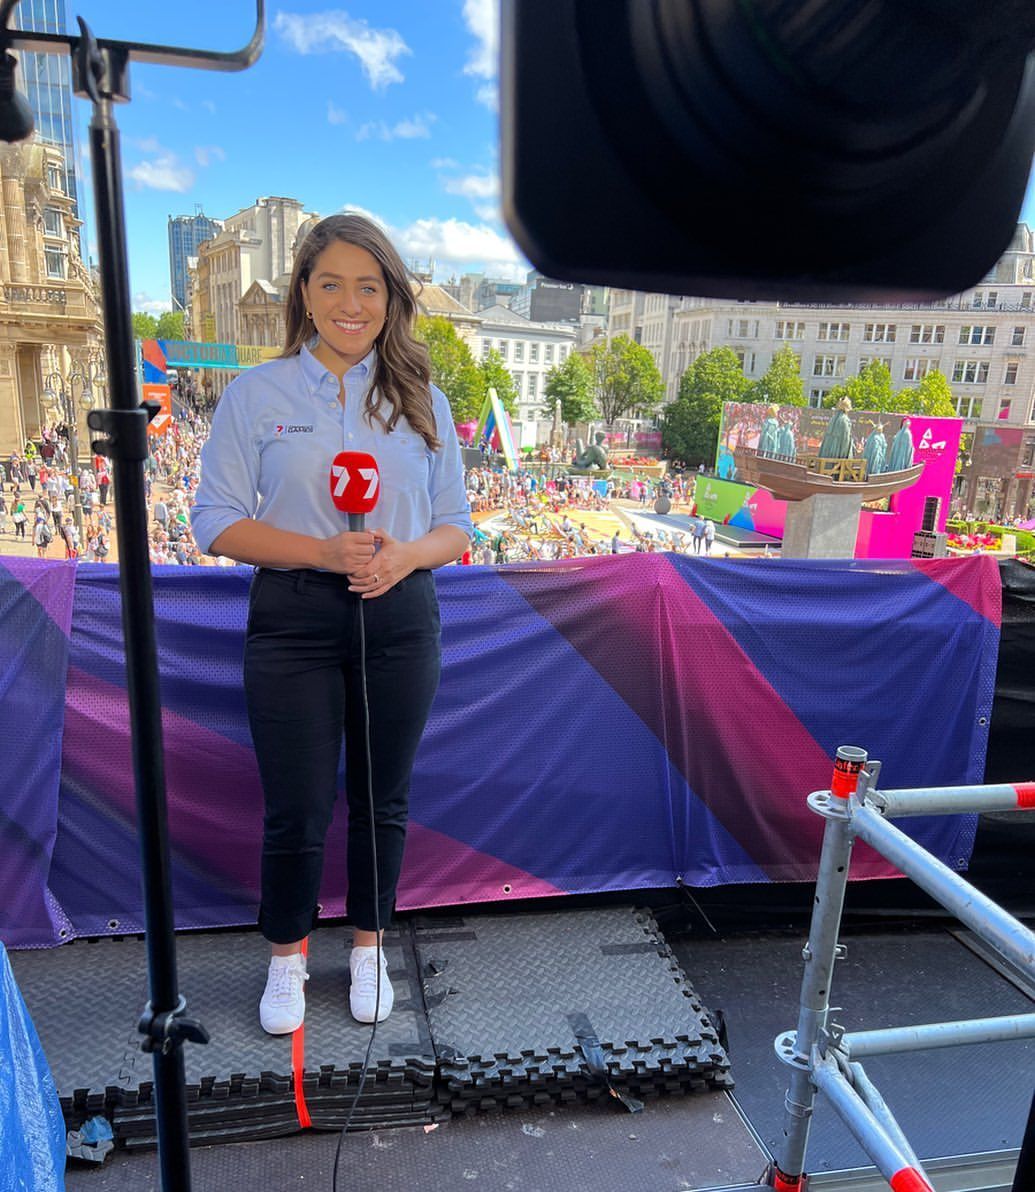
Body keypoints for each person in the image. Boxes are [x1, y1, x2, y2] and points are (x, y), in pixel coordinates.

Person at [191, 213, 473, 1037]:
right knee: (297, 804)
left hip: (400, 617)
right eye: (332, 284)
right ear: (305, 296)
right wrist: (319, 551)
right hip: (294, 620)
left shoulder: (423, 399)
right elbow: (214, 521)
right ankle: (287, 956)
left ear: (390, 299)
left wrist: (405, 555)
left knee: (383, 800)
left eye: (369, 287)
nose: (352, 304)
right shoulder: (255, 395)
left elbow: (456, 525)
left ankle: (368, 947)